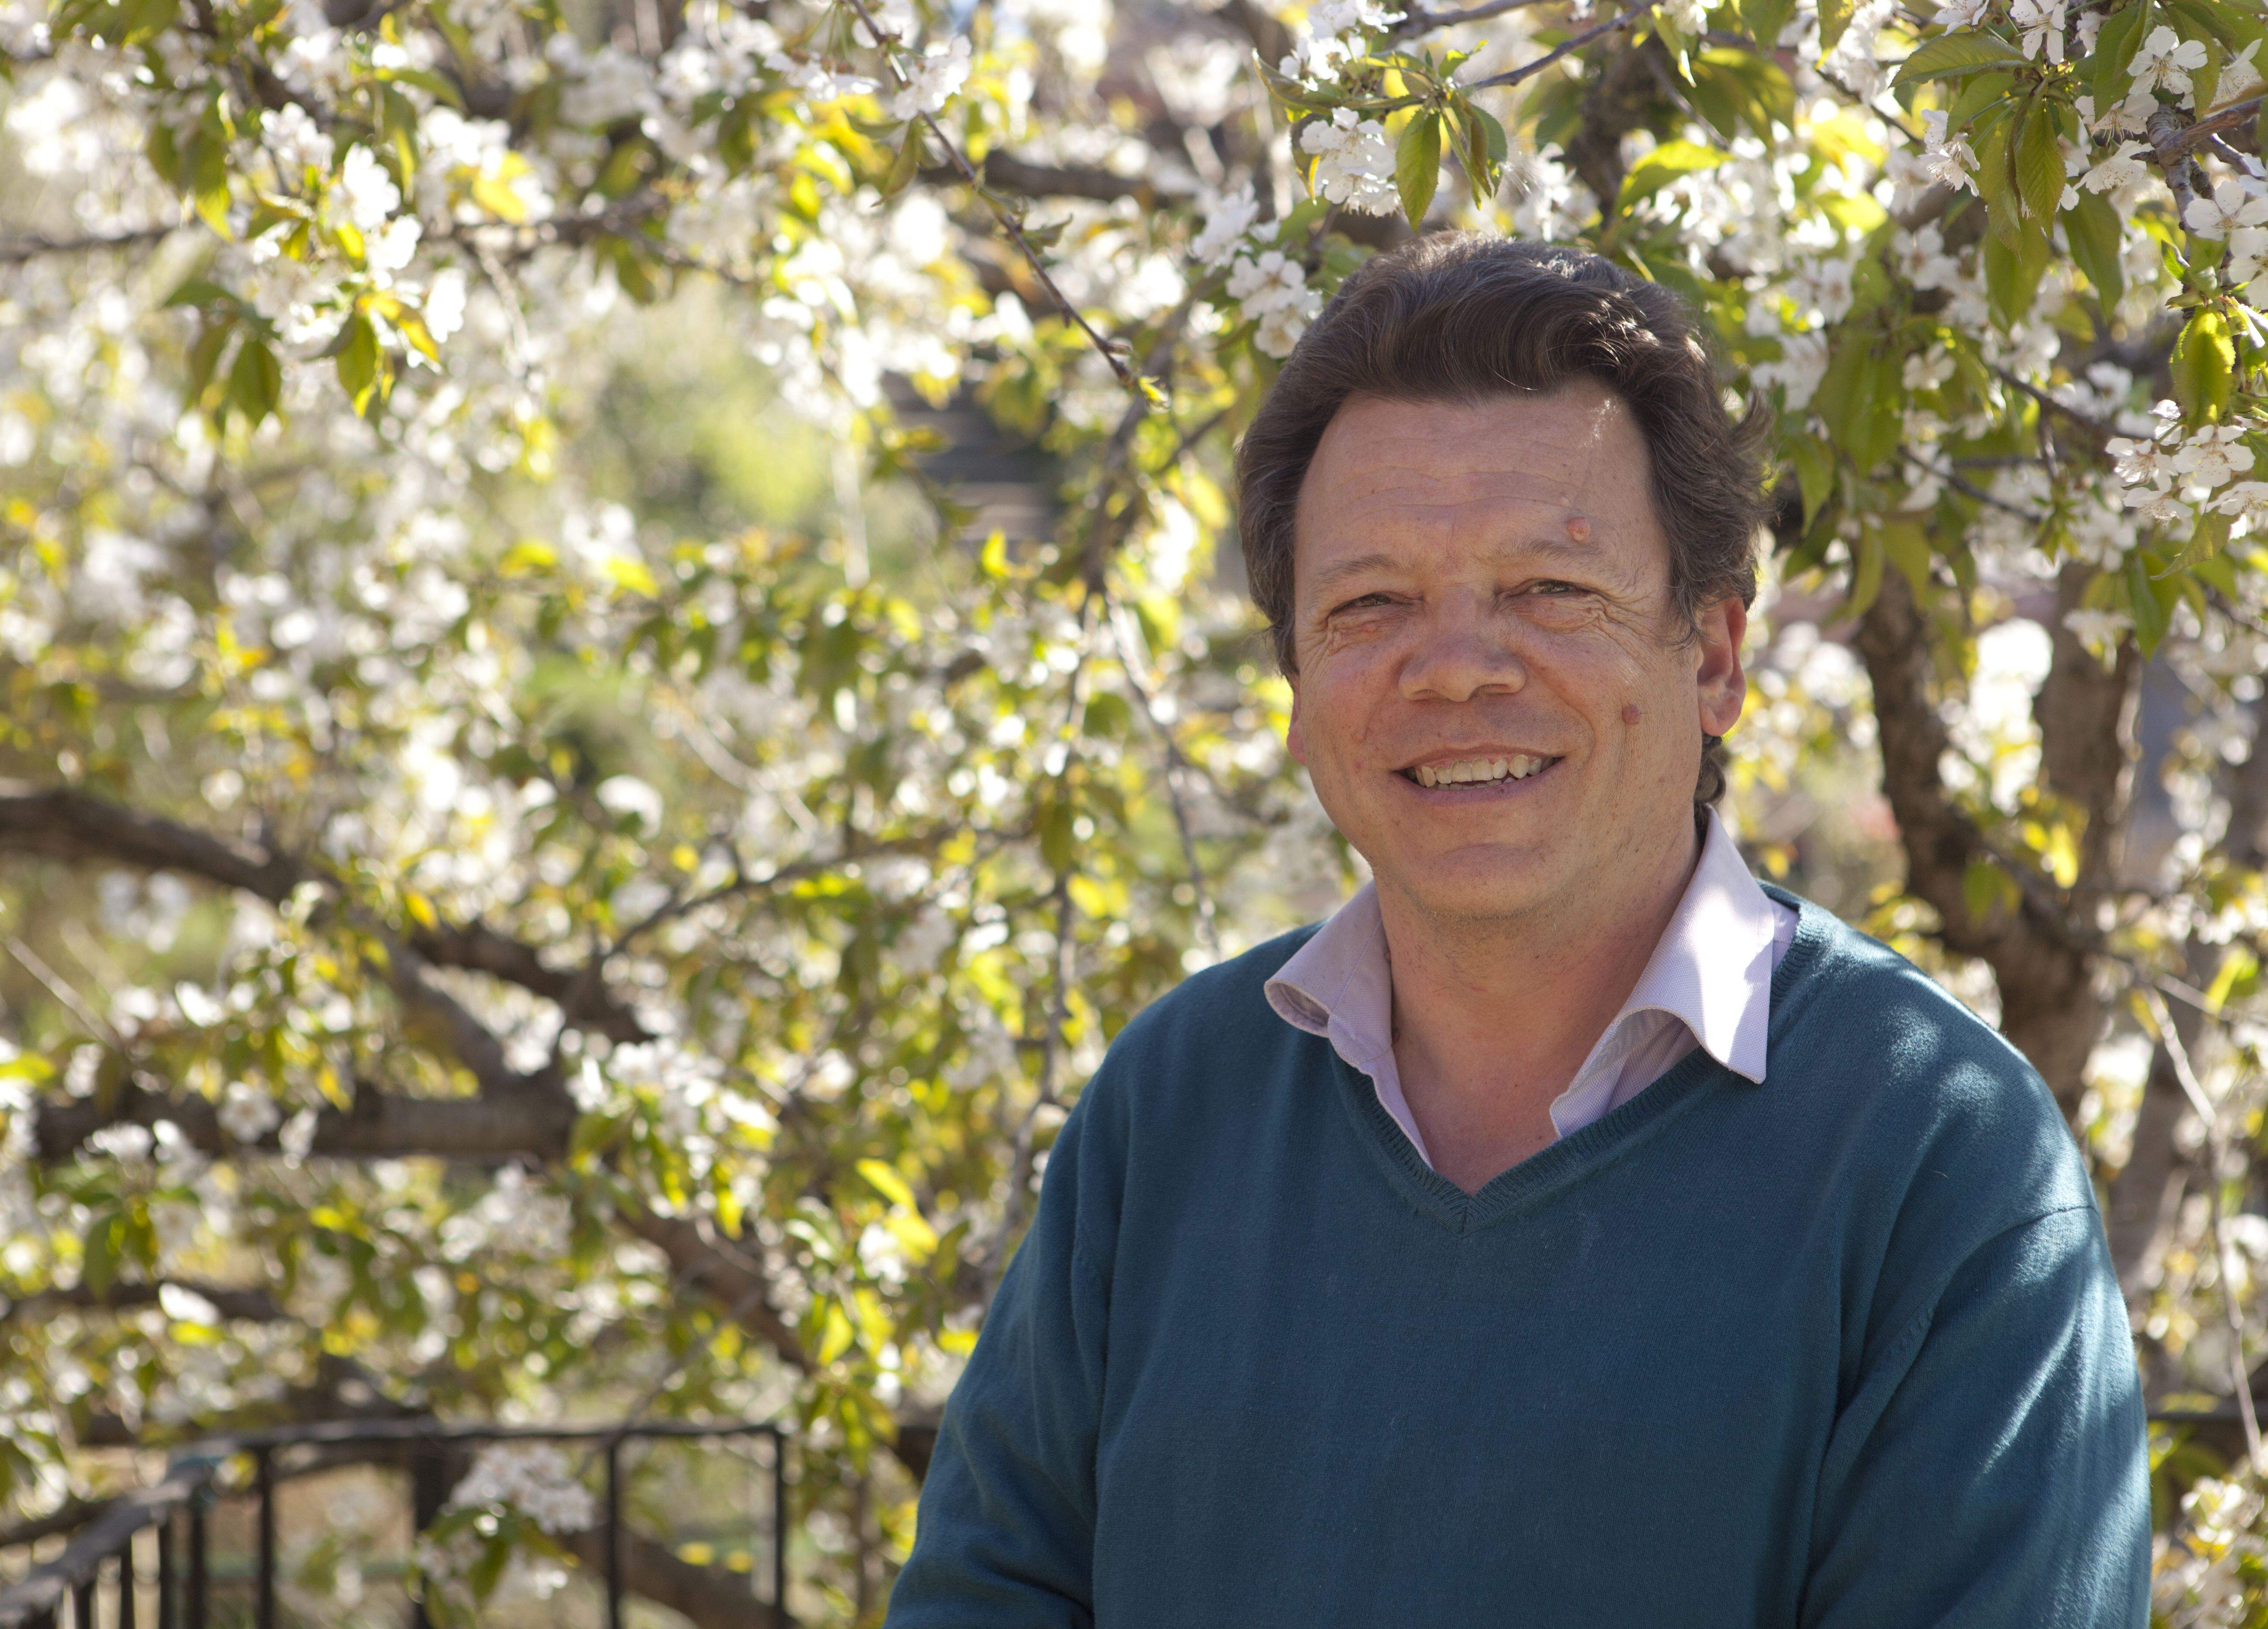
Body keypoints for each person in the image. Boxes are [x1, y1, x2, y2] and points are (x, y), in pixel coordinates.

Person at [885, 234, 2149, 1626]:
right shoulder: (1173, 1104)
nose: (1460, 668)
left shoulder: (1942, 1155)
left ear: (1714, 655)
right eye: (1371, 605)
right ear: (1298, 686)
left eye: (1552, 591)